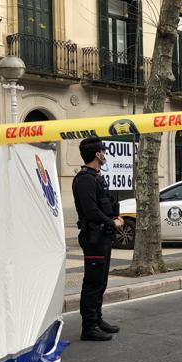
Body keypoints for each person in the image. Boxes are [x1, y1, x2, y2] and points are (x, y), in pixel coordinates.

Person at [73, 137, 124, 341]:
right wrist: (113, 223)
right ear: (97, 154)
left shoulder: (96, 176)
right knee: (93, 283)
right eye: (103, 150)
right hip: (93, 236)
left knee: (101, 281)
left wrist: (114, 216)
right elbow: (91, 211)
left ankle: (98, 319)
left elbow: (103, 204)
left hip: (102, 235)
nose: (105, 153)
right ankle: (89, 327)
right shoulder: (84, 179)